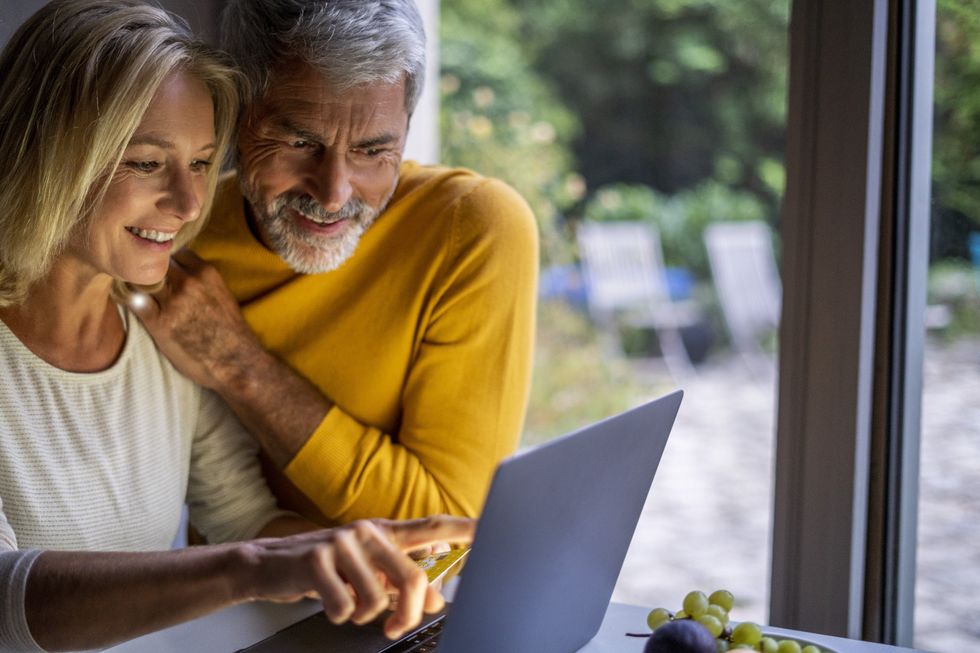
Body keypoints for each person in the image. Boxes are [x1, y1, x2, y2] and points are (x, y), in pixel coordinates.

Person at [0, 2, 472, 651]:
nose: (189, 202)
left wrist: (369, 561)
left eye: (200, 163)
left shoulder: (164, 323)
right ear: (46, 153)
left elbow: (243, 517)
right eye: (146, 162)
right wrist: (246, 569)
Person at [135, 0, 540, 527]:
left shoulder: (469, 228)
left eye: (372, 151)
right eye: (300, 142)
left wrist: (239, 366)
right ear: (236, 113)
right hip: (235, 576)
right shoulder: (171, 232)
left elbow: (447, 530)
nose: (332, 194)